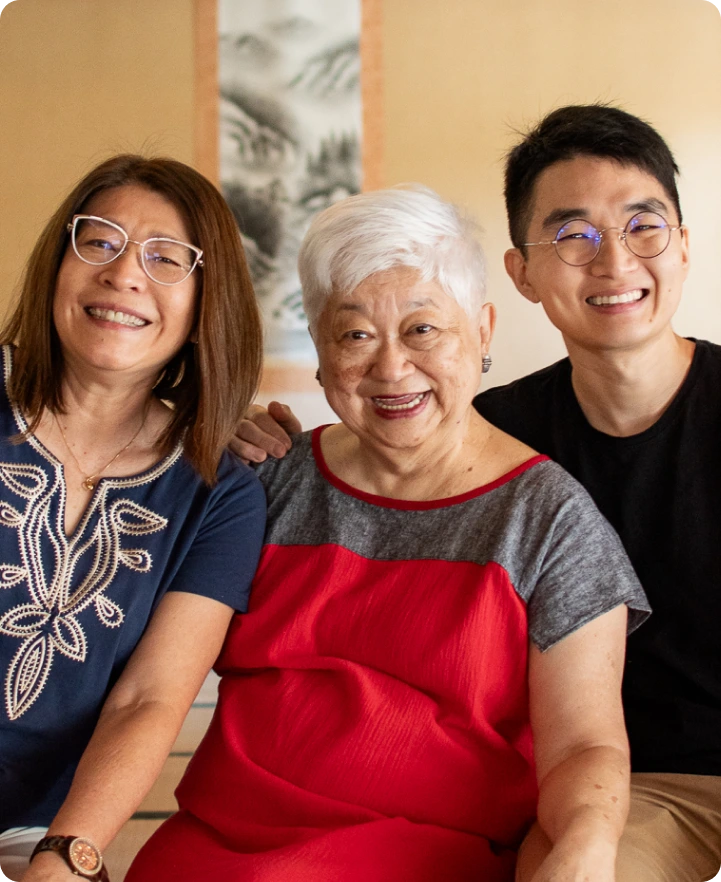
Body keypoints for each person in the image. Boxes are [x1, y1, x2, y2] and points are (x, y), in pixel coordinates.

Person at [234, 104, 721, 882]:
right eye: (572, 235)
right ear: (521, 272)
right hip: (632, 794)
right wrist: (247, 440)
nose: (612, 261)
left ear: (684, 245)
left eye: (642, 226)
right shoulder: (485, 439)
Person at [127, 186, 649, 882]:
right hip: (214, 850)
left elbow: (583, 746)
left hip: (426, 858)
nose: (390, 368)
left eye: (422, 329)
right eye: (354, 335)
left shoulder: (549, 521)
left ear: (483, 329)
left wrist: (583, 850)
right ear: (318, 349)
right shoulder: (265, 482)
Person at [0, 154, 266, 882]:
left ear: (206, 301)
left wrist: (66, 857)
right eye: (99, 240)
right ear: (58, 262)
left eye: (166, 257)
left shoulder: (220, 495)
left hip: (31, 833)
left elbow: (148, 700)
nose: (124, 274)